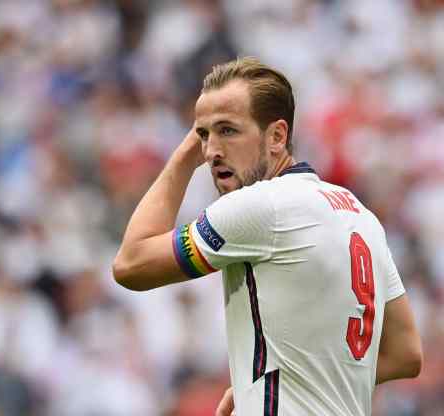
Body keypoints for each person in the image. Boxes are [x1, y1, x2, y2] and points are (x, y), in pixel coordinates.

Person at [112, 57, 422, 416]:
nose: (211, 151)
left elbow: (131, 264)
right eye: (202, 135)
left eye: (227, 130)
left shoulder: (260, 206)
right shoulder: (359, 214)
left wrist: (183, 157)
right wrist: (259, 386)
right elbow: (404, 354)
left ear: (276, 136)